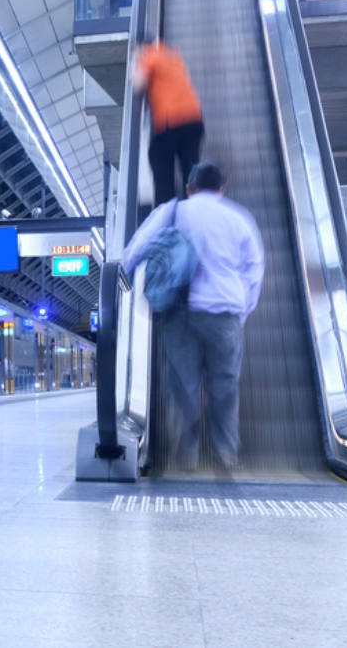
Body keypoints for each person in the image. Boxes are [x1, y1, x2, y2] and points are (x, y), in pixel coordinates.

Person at [122, 162, 263, 469]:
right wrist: (242, 312)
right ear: (222, 189)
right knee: (225, 386)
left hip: (179, 315)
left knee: (183, 387)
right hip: (225, 313)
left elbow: (134, 252)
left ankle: (187, 457)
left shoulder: (172, 212)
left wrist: (122, 286)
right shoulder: (238, 219)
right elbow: (254, 271)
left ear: (190, 187)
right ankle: (226, 454)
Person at [133, 40, 205, 206]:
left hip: (169, 123)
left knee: (161, 170)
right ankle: (198, 211)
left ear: (142, 46)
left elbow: (138, 85)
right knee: (191, 171)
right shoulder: (172, 55)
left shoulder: (148, 55)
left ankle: (167, 219)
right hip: (193, 120)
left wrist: (136, 63)